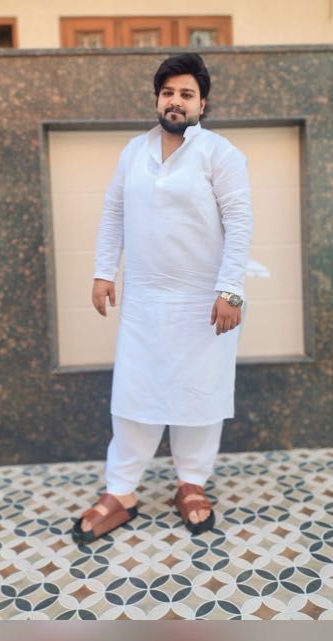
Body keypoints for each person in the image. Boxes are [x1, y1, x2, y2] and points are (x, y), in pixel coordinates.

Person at [72, 53, 253, 544]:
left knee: (199, 395)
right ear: (157, 99)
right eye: (168, 92)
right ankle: (121, 492)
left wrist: (231, 290)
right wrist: (103, 271)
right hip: (145, 301)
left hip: (204, 301)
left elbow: (240, 223)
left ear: (202, 104)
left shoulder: (220, 154)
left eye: (186, 94)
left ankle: (191, 484)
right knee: (134, 395)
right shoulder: (135, 151)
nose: (176, 101)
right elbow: (114, 211)